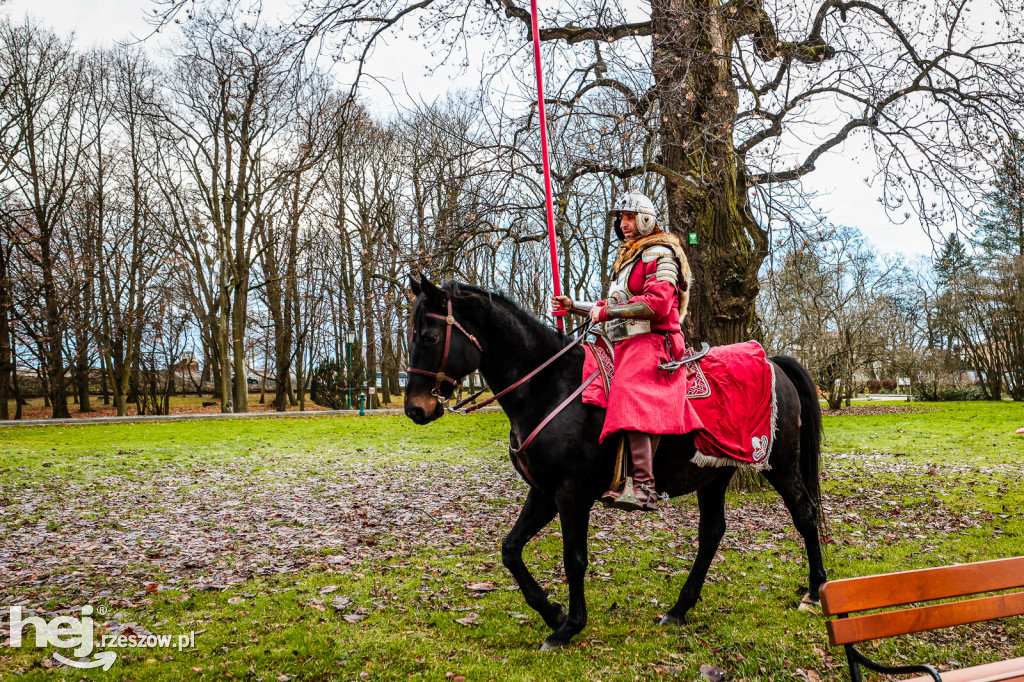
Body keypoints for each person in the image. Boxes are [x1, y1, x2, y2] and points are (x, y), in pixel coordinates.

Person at [551, 190, 703, 511]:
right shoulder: (631, 257)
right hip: (629, 343)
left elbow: (657, 304)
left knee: (627, 390)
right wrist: (574, 306)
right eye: (621, 218)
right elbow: (615, 305)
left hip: (656, 342)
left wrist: (607, 312)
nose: (624, 224)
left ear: (646, 219)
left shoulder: (661, 254)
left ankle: (644, 486)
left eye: (630, 217)